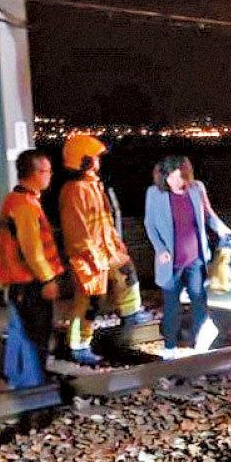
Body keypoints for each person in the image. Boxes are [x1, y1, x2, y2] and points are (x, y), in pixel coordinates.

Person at [58, 134, 152, 365]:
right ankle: (78, 346)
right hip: (88, 256)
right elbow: (77, 231)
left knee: (126, 274)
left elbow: (104, 222)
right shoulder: (74, 191)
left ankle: (131, 313)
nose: (99, 161)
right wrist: (91, 256)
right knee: (89, 301)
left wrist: (117, 246)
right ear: (84, 161)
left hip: (106, 251)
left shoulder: (94, 185)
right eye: (95, 158)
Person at [144, 155, 231, 355]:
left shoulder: (197, 188)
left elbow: (208, 214)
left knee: (199, 299)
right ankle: (170, 347)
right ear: (164, 177)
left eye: (180, 177)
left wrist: (223, 230)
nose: (177, 182)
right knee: (172, 305)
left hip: (195, 258)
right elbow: (150, 224)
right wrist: (160, 249)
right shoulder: (154, 193)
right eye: (171, 177)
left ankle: (200, 343)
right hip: (170, 261)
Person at [0, 149, 64, 390]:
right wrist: (48, 280)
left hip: (18, 283)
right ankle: (32, 384)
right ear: (33, 173)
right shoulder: (25, 205)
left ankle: (16, 379)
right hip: (29, 283)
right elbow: (32, 251)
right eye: (46, 171)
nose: (50, 175)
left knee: (19, 331)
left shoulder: (17, 200)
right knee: (35, 333)